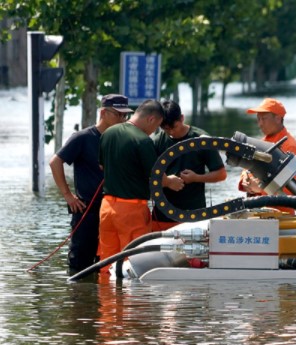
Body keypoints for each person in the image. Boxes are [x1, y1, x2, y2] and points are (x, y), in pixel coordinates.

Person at [49, 94, 133, 271]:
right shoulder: (83, 137)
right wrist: (68, 196)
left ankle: (102, 297)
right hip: (87, 210)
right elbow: (55, 162)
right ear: (103, 112)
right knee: (80, 262)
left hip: (113, 210)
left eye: (125, 115)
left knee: (109, 264)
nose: (123, 119)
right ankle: (80, 297)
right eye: (118, 114)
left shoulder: (123, 139)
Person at [98, 99, 183, 273]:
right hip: (131, 210)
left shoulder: (108, 133)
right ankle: (133, 301)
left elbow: (101, 166)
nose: (155, 131)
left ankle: (107, 299)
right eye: (157, 126)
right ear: (151, 119)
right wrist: (171, 181)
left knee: (107, 261)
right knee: (134, 262)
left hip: (106, 208)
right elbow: (156, 177)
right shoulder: (143, 141)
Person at [151, 100, 227, 231]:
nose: (170, 133)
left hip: (193, 216)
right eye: (165, 129)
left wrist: (196, 178)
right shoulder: (157, 141)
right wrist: (167, 181)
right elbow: (148, 176)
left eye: (173, 127)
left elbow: (221, 174)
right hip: (163, 216)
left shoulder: (201, 139)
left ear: (181, 118)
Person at [238, 97, 296, 196]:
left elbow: (292, 191)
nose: (260, 124)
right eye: (258, 119)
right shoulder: (262, 142)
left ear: (278, 118)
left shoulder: (292, 147)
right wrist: (245, 179)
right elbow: (247, 167)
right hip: (258, 207)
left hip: (281, 210)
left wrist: (260, 189)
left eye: (264, 119)